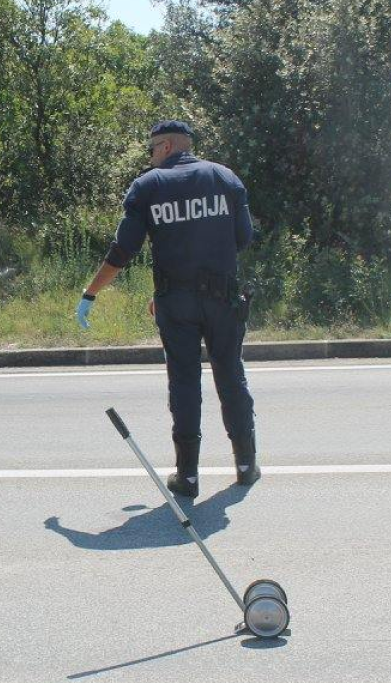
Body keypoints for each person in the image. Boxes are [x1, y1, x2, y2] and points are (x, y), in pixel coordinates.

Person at [76, 121, 260, 499]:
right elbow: (244, 238)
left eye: (152, 149)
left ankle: (188, 476)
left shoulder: (149, 186)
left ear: (167, 146)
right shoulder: (225, 178)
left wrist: (90, 293)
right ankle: (245, 464)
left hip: (175, 302)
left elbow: (122, 251)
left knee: (184, 382)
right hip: (223, 299)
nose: (150, 156)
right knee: (231, 374)